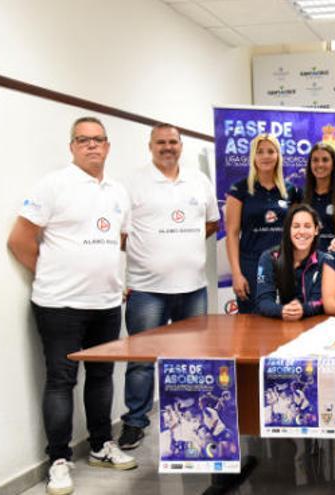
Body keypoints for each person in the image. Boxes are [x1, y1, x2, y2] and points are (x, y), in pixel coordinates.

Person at [7, 117, 136, 495]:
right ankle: (58, 461)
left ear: (108, 146)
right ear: (72, 147)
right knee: (61, 381)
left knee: (100, 378)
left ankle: (99, 446)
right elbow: (20, 240)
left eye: (99, 140)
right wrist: (52, 273)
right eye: (84, 140)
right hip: (59, 304)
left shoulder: (118, 191)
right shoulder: (53, 185)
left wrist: (111, 278)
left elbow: (119, 240)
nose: (92, 146)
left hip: (107, 304)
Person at [118, 123, 220, 451]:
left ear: (181, 145)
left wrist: (180, 250)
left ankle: (192, 420)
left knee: (192, 360)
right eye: (160, 142)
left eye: (173, 142)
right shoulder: (132, 183)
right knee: (142, 360)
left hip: (192, 288)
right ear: (150, 146)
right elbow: (120, 234)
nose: (167, 147)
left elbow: (211, 222)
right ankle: (135, 422)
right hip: (147, 289)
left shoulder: (199, 181)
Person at [224, 134, 298, 313]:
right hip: (250, 265)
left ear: (278, 156)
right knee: (252, 322)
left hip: (284, 264)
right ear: (253, 157)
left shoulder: (291, 190)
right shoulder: (239, 189)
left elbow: (297, 232)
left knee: (285, 316)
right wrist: (236, 273)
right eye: (260, 152)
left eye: (271, 151)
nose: (265, 156)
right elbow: (232, 234)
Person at [255, 204, 324, 320]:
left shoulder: (324, 261)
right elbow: (263, 301)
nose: (302, 231)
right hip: (278, 324)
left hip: (313, 325)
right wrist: (282, 310)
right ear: (288, 230)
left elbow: (322, 301)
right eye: (296, 226)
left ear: (316, 230)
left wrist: (303, 309)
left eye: (307, 226)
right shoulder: (269, 258)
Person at [296, 143, 335, 251]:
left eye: (325, 160)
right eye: (315, 160)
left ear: (333, 164)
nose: (320, 164)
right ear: (310, 164)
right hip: (308, 260)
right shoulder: (301, 194)